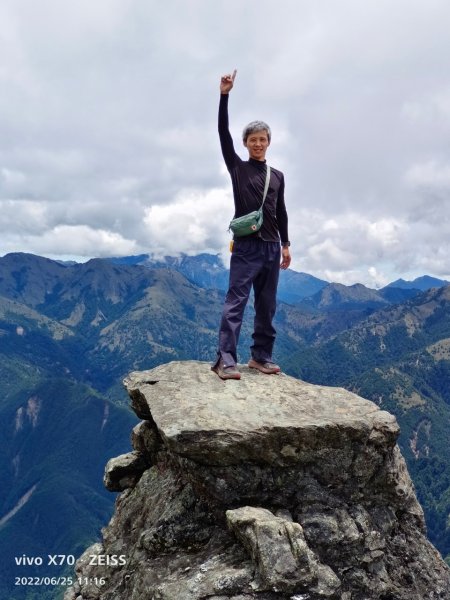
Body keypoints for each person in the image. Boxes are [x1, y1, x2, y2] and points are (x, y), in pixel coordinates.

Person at [212, 69, 291, 380]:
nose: (258, 144)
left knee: (267, 306)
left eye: (263, 139)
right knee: (236, 302)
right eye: (253, 140)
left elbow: (281, 210)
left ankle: (260, 357)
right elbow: (222, 132)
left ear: (269, 142)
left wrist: (286, 244)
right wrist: (224, 95)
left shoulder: (278, 176)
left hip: (272, 247)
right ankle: (225, 360)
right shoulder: (237, 168)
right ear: (245, 143)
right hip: (246, 247)